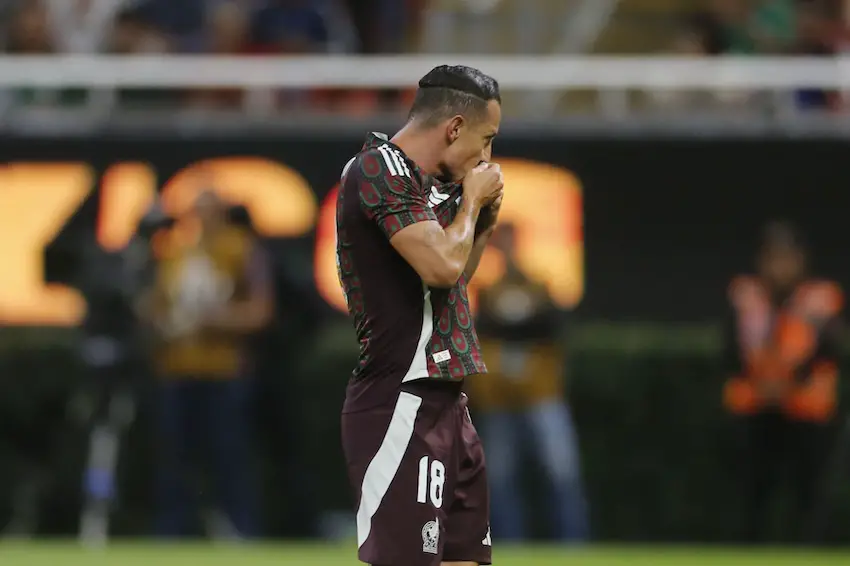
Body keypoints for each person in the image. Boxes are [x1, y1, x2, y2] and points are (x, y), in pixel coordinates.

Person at [337, 65, 504, 566]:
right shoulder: (376, 168)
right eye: (486, 139)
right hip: (399, 402)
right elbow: (440, 266)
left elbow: (456, 280)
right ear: (454, 127)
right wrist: (473, 204)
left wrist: (484, 221)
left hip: (448, 404)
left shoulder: (434, 187)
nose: (487, 157)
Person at [148, 189, 273, 539]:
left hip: (224, 369)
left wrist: (213, 320)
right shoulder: (176, 252)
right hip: (178, 367)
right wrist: (160, 323)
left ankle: (241, 529)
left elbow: (260, 311)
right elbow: (158, 306)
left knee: (230, 454)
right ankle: (172, 533)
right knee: (175, 457)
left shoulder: (241, 248)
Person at [723, 221, 843, 544]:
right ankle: (748, 549)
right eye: (773, 257)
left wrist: (790, 382)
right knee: (753, 489)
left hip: (806, 408)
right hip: (758, 406)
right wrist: (763, 385)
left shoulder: (819, 299)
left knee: (810, 490)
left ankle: (814, 550)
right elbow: (731, 353)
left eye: (786, 257)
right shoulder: (746, 296)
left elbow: (830, 350)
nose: (779, 267)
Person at [469, 223, 589, 542]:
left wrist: (512, 325)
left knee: (561, 471)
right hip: (499, 396)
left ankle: (572, 544)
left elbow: (551, 327)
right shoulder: (487, 288)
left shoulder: (540, 285)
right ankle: (510, 545)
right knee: (500, 476)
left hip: (542, 393)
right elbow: (483, 331)